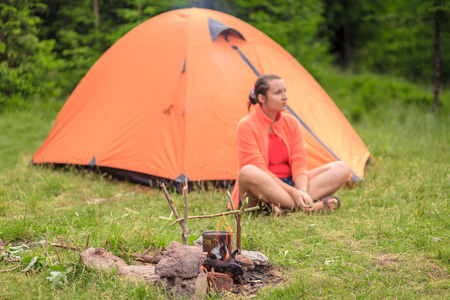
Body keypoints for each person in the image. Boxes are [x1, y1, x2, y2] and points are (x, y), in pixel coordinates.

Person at [230, 74, 350, 215]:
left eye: (284, 91)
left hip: (291, 183)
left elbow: (299, 163)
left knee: (341, 168)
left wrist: (302, 191)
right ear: (262, 98)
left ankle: (285, 208)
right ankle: (307, 207)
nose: (284, 96)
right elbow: (260, 170)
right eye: (277, 93)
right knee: (248, 171)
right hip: (262, 187)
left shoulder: (291, 123)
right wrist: (294, 193)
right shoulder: (246, 125)